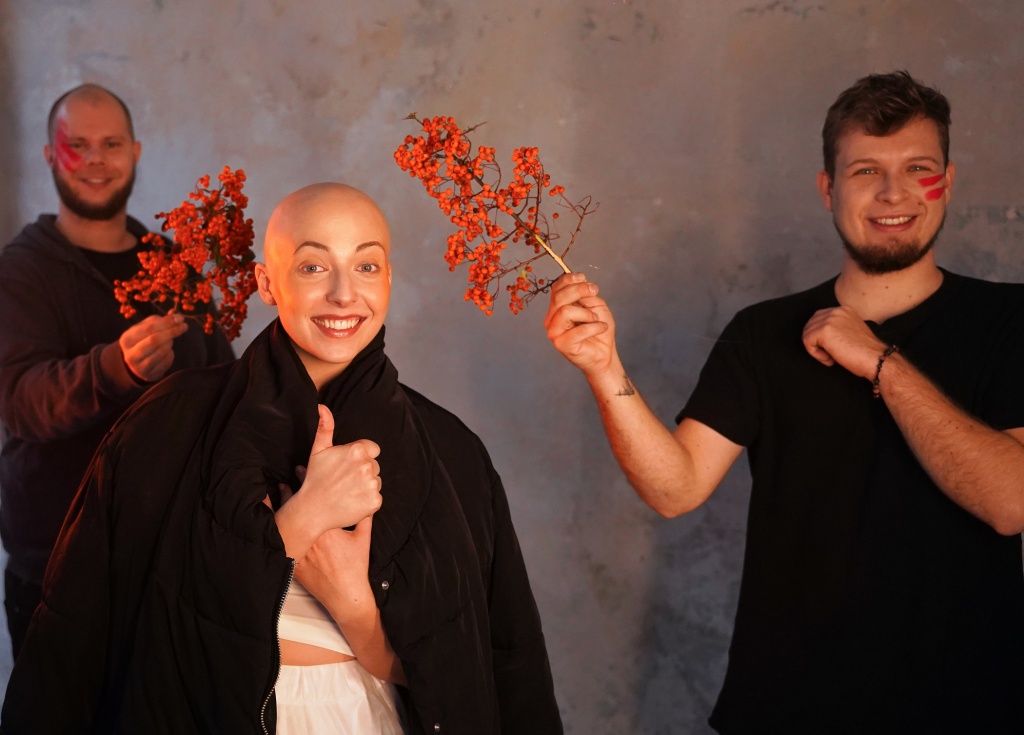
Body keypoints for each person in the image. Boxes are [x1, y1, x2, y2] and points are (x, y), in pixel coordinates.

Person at [546, 71, 1024, 733]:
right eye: (866, 171)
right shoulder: (762, 334)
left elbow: (1010, 501)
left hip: (969, 709)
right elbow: (675, 488)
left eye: (918, 168)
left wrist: (878, 360)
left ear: (948, 179)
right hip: (788, 710)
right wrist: (605, 370)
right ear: (828, 189)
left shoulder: (1009, 322)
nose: (894, 193)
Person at [0, 183, 562, 734]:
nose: (344, 294)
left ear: (389, 278)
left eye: (366, 266)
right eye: (313, 267)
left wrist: (357, 611)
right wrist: (293, 529)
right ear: (267, 283)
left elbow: (498, 673)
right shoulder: (164, 425)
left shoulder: (452, 452)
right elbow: (86, 644)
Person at [0, 83, 234, 658]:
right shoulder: (21, 272)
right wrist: (116, 370)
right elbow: (21, 401)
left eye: (110, 144)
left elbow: (225, 388)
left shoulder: (173, 265)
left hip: (169, 563)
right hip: (58, 571)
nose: (96, 160)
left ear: (135, 151)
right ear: (51, 155)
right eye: (77, 145)